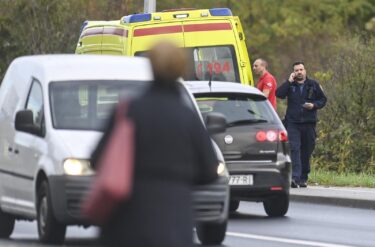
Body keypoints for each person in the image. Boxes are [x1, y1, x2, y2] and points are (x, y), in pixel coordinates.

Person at [91, 41, 219, 247]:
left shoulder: (129, 110)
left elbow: (97, 159)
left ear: (150, 66)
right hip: (175, 224)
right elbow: (210, 170)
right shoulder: (187, 117)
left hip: (126, 221)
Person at [276, 61, 327, 188]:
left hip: (309, 123)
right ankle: (295, 177)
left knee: (307, 150)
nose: (299, 72)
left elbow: (323, 100)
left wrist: (314, 105)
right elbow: (279, 94)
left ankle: (303, 178)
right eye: (296, 70)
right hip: (293, 123)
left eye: (301, 69)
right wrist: (288, 82)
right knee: (294, 149)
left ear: (305, 71)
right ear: (294, 72)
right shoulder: (290, 85)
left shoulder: (313, 85)